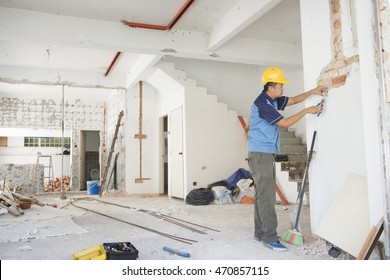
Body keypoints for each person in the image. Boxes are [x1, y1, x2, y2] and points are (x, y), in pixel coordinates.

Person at [247, 67, 327, 251]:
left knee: (262, 194)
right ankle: (269, 237)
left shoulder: (272, 100)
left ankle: (260, 233)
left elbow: (294, 100)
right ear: (271, 87)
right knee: (266, 196)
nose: (283, 88)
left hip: (264, 153)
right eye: (281, 85)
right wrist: (307, 111)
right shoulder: (263, 104)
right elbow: (285, 123)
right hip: (260, 154)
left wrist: (313, 91)